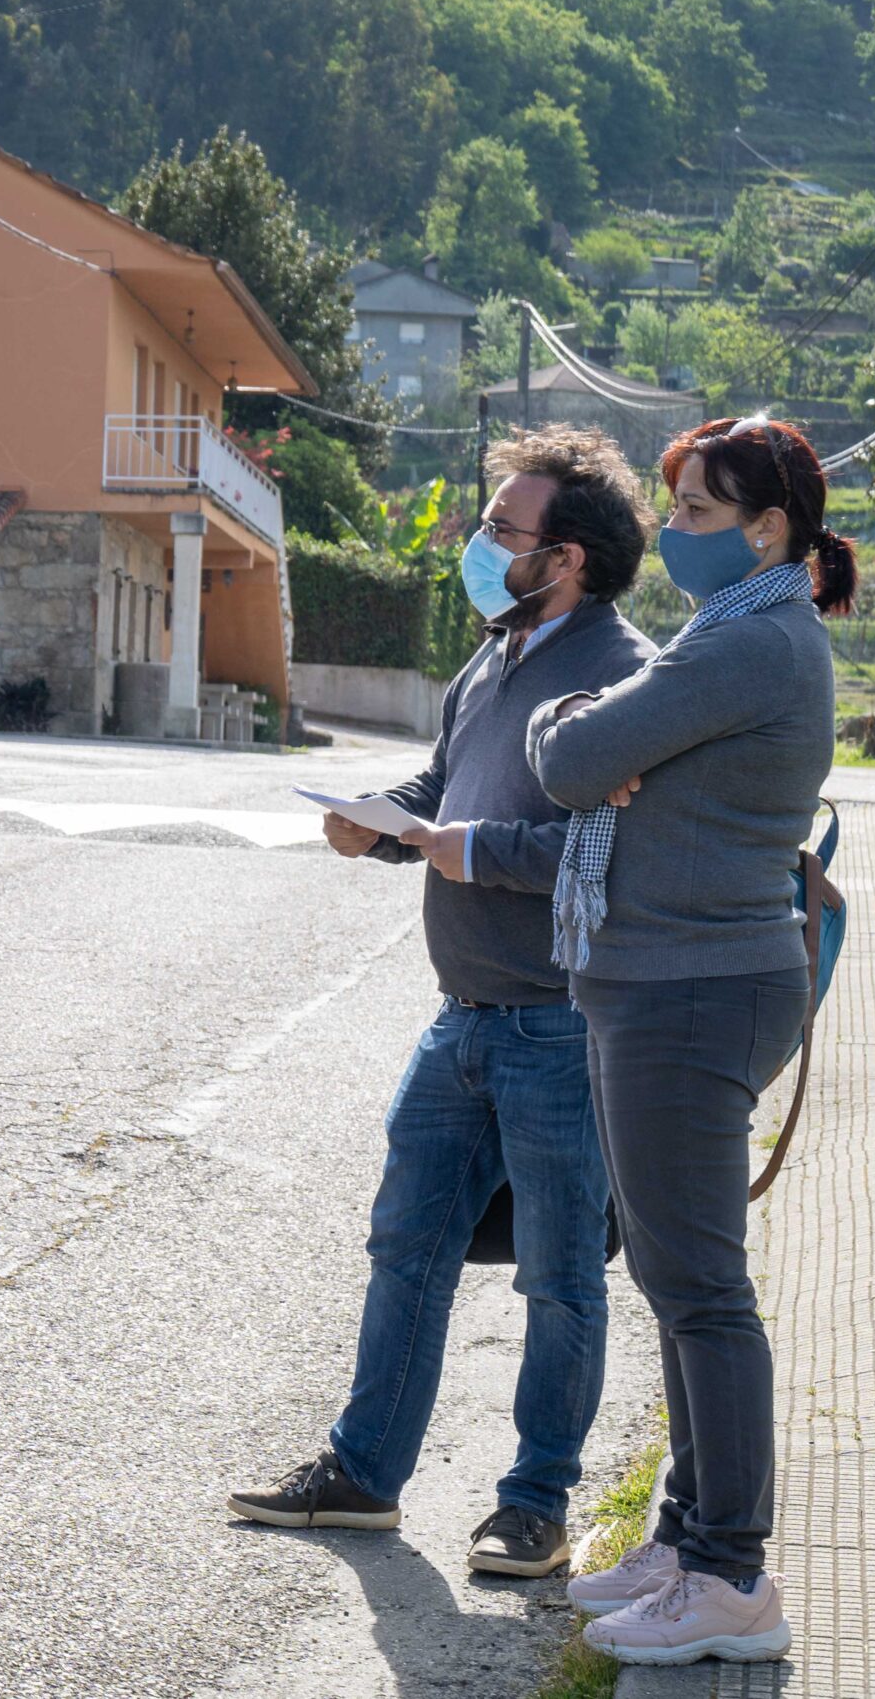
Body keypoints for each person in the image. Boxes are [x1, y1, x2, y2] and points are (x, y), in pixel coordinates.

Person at [226, 426, 657, 1572]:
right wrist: (376, 819)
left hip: (562, 1025)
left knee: (561, 1278)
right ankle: (362, 1478)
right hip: (460, 1016)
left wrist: (467, 849)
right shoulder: (495, 651)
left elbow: (606, 845)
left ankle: (534, 1506)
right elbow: (439, 785)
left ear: (562, 557)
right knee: (404, 1248)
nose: (479, 545)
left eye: (499, 530)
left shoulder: (625, 674)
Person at [534, 416, 849, 1666]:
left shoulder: (753, 646)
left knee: (703, 1295)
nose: (673, 536)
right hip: (666, 980)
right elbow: (600, 752)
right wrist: (607, 738)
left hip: (691, 989)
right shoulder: (730, 636)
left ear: (768, 529)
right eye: (671, 512)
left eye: (700, 515)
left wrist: (593, 731)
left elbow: (569, 759)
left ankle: (731, 1579)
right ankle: (686, 1537)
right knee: (676, 1288)